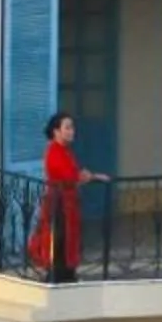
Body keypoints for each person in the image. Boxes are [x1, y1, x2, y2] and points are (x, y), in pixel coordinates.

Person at [26, 112, 109, 284]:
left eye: (72, 127)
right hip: (59, 204)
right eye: (67, 128)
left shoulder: (63, 151)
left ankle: (66, 275)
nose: (72, 131)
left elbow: (74, 175)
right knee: (59, 241)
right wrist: (89, 176)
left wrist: (88, 175)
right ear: (56, 131)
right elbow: (70, 176)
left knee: (67, 241)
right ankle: (57, 276)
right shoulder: (54, 151)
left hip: (67, 203)